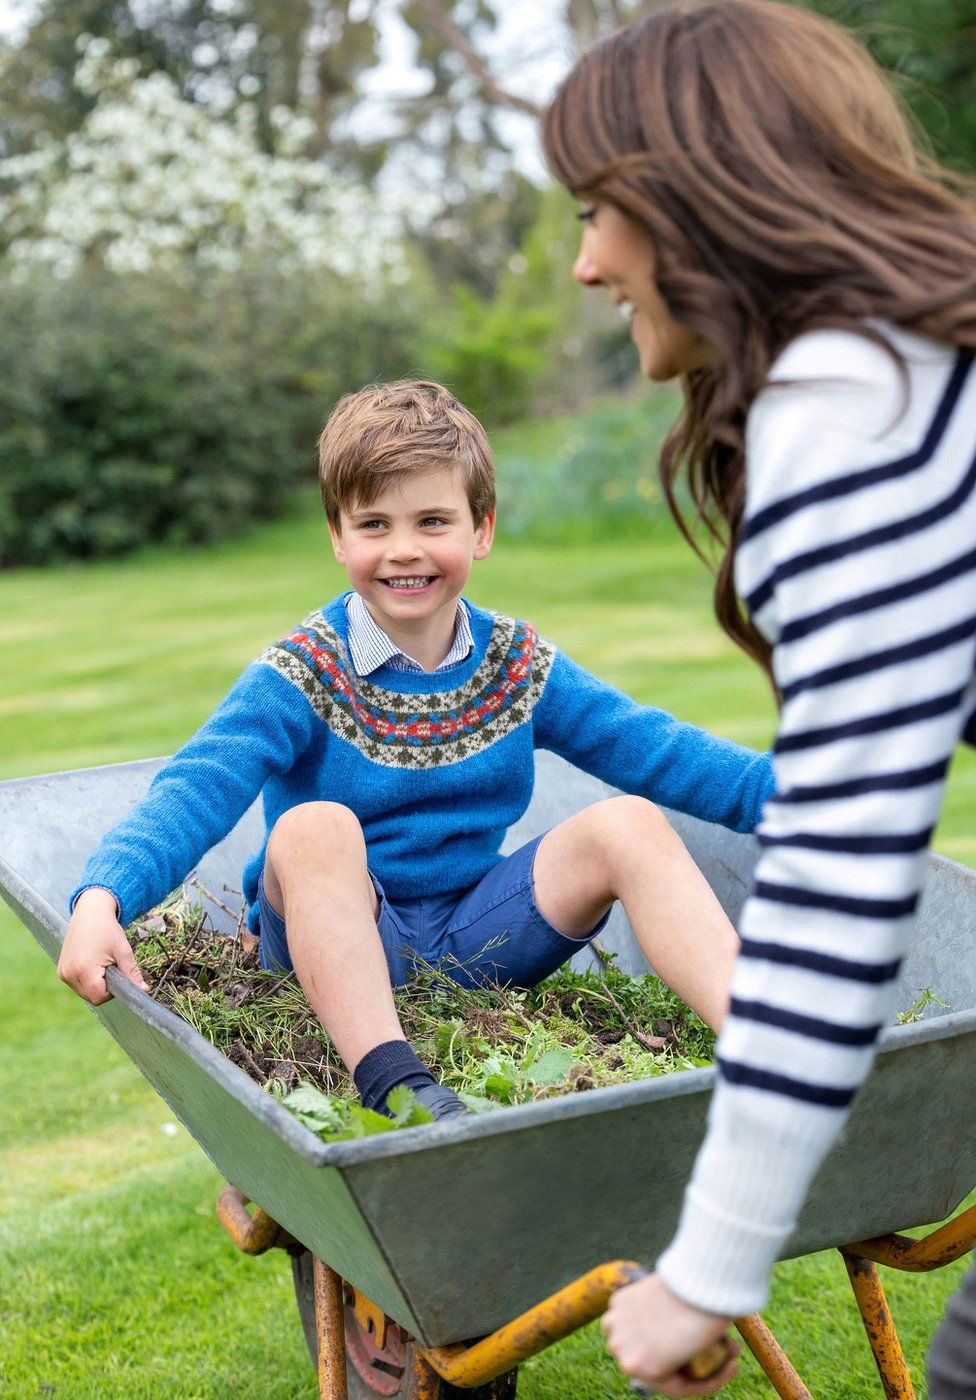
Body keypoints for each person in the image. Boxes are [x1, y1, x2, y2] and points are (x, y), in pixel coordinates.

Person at [541, 0, 976, 1394]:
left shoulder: (846, 416)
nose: (584, 261)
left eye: (603, 211)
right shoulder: (918, 371)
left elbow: (843, 886)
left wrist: (707, 1268)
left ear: (698, 202)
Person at [58, 378, 774, 1128]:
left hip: (477, 936)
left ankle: (765, 1050)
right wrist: (103, 895)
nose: (404, 550)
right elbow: (197, 785)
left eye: (434, 520)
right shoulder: (304, 670)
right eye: (374, 524)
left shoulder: (516, 662)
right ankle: (396, 1085)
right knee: (313, 827)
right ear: (337, 536)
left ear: (481, 529)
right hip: (333, 943)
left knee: (627, 821)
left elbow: (656, 749)